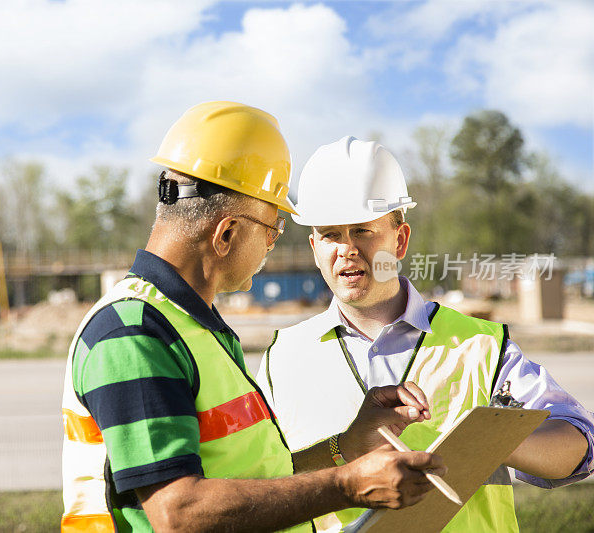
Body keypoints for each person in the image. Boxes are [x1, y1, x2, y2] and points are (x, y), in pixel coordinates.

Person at [61, 104, 448, 532]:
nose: (272, 245)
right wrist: (345, 486)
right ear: (226, 233)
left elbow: (257, 480)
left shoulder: (191, 327)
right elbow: (178, 513)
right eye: (272, 229)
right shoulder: (134, 332)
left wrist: (348, 447)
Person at [257, 136, 594, 532]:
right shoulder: (283, 358)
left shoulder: (480, 345)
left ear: (399, 241)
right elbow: (260, 482)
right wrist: (342, 451)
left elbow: (578, 445)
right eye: (331, 234)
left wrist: (487, 441)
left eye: (363, 231)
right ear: (314, 247)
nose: (346, 250)